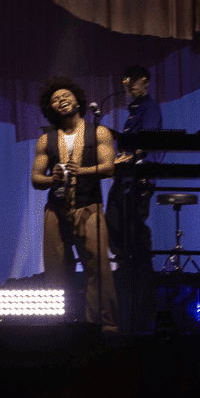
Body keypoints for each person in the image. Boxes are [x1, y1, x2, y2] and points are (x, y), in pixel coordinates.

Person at [30, 78, 119, 329]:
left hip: (88, 207)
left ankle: (104, 327)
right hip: (56, 210)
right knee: (56, 272)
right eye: (56, 99)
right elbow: (36, 178)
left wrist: (81, 171)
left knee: (98, 269)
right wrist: (51, 178)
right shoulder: (46, 140)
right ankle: (58, 326)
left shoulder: (98, 131)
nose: (62, 99)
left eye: (66, 95)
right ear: (50, 108)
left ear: (78, 100)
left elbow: (109, 167)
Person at [107, 64, 162, 276]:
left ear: (146, 81)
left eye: (134, 80)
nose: (129, 85)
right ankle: (124, 264)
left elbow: (146, 140)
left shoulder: (149, 107)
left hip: (141, 174)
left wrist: (128, 156)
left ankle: (143, 268)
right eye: (126, 80)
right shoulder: (135, 110)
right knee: (114, 216)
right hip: (126, 174)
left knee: (134, 221)